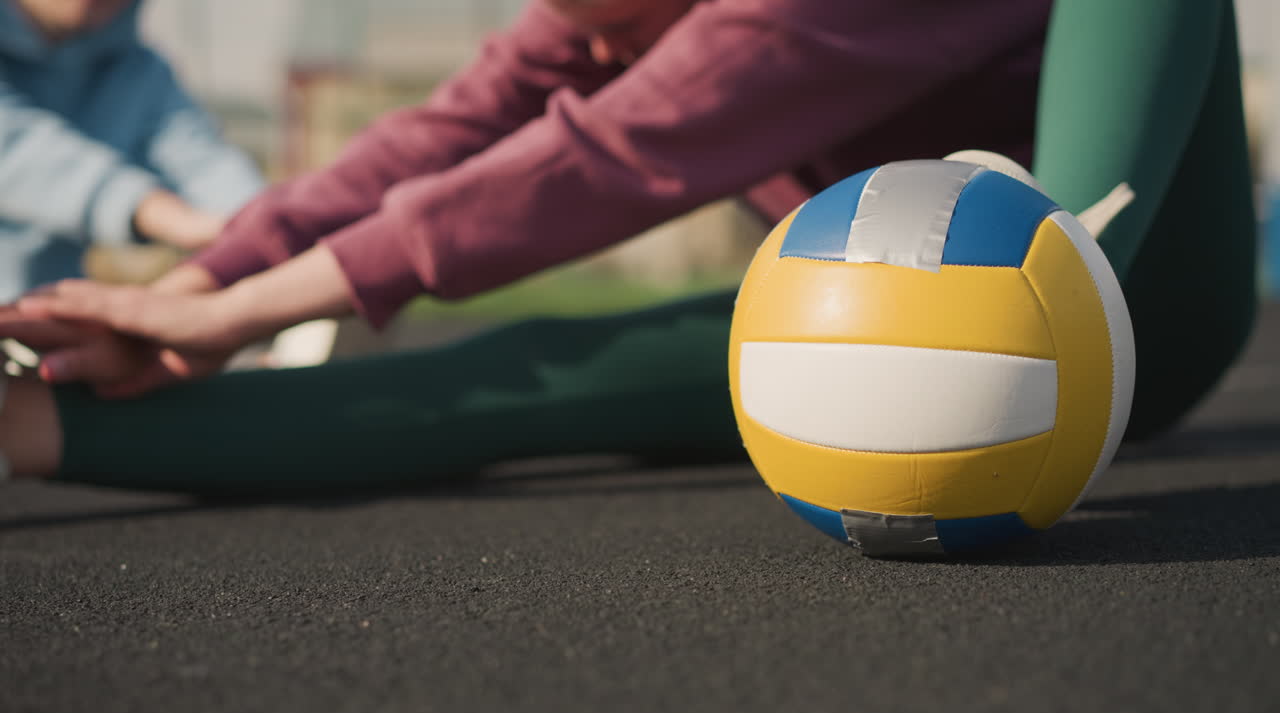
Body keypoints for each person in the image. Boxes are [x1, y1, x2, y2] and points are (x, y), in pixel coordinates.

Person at [0, 0, 1257, 494]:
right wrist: (187, 291)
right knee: (531, 366)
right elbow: (426, 146)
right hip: (893, 336)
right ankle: (38, 431)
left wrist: (241, 313)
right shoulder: (590, 16)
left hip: (1145, 309)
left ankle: (1065, 288)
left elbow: (594, 163)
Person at [0, 0, 264, 303]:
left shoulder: (137, 69)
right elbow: (17, 150)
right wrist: (153, 209)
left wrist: (265, 224)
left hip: (42, 316)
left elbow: (203, 160)